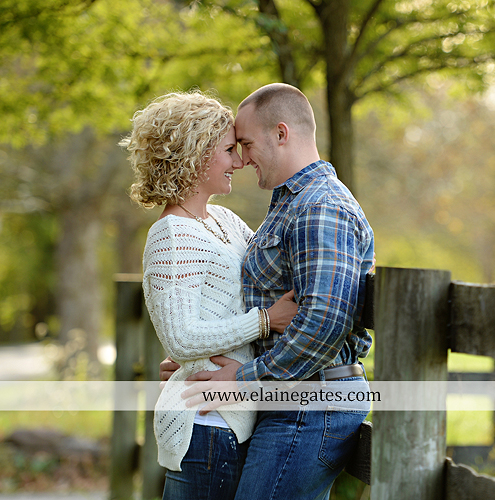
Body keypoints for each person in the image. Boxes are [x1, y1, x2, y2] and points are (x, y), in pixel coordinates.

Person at [163, 83, 375, 500]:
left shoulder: (320, 207)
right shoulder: (290, 203)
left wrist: (240, 379)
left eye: (246, 143)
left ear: (282, 133)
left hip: (310, 404)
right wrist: (199, 361)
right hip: (291, 400)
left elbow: (324, 323)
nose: (241, 159)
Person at [120, 91, 298, 500]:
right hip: (205, 427)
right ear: (195, 155)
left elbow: (274, 275)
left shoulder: (226, 220)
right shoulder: (169, 235)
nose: (239, 161)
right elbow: (181, 338)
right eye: (228, 151)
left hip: (232, 420)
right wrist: (265, 321)